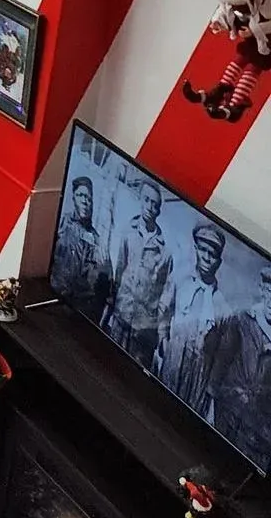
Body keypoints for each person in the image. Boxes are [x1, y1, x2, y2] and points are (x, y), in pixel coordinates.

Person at [205, 263, 271, 471]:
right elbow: (218, 368)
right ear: (262, 289)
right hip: (227, 416)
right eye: (270, 290)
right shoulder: (242, 321)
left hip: (257, 438)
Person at [157, 222, 227, 412]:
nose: (206, 257)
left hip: (198, 376)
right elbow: (164, 310)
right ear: (196, 249)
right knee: (159, 408)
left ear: (218, 261)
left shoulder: (221, 304)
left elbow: (221, 351)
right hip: (173, 359)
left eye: (212, 254)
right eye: (203, 250)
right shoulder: (179, 280)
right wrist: (163, 340)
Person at [104, 180, 172, 368]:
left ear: (159, 210)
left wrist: (160, 334)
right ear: (141, 201)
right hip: (121, 317)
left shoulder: (164, 250)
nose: (150, 207)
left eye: (155, 204)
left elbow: (164, 295)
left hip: (143, 330)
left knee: (131, 373)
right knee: (107, 363)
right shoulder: (128, 232)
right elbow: (118, 273)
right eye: (147, 200)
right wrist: (109, 311)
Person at [50, 175, 106, 309]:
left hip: (74, 306)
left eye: (89, 198)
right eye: (81, 195)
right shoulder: (62, 223)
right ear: (73, 197)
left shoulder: (96, 241)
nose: (85, 201)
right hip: (50, 292)